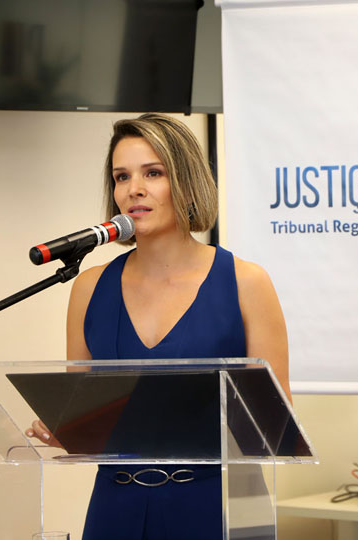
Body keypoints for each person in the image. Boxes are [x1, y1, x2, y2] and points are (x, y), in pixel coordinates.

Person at [27, 113, 290, 540]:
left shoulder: (247, 282)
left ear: (186, 181)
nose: (134, 189)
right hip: (117, 504)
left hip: (220, 503)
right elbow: (84, 415)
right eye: (122, 177)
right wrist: (66, 430)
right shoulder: (89, 288)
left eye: (153, 173)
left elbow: (273, 423)